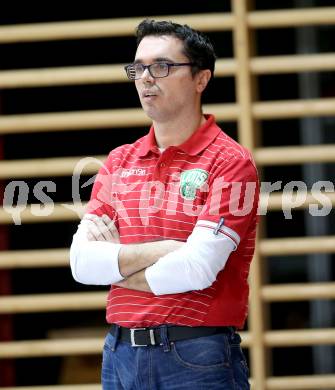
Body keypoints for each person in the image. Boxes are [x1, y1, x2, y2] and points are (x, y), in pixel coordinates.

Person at [70, 19, 259, 390]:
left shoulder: (231, 162)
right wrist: (165, 250)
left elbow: (196, 270)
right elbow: (82, 264)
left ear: (201, 79)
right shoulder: (119, 160)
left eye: (161, 67)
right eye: (138, 68)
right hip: (119, 353)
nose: (145, 78)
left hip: (195, 355)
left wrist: (117, 266)